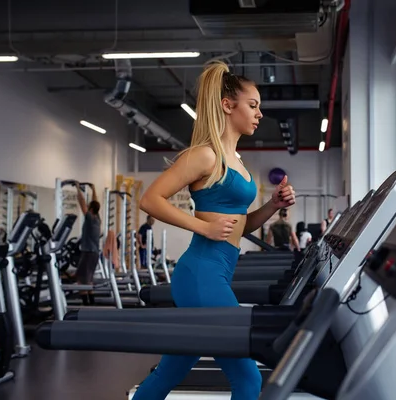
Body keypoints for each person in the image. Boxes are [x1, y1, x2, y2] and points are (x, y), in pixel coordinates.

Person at [136, 60, 296, 400]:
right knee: (248, 379)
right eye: (253, 106)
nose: (259, 114)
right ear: (227, 105)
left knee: (171, 371)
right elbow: (150, 199)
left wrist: (272, 207)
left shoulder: (235, 160)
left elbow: (238, 227)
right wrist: (202, 227)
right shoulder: (205, 156)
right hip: (201, 274)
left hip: (216, 272)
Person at [73, 181, 101, 306]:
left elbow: (82, 203)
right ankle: (92, 303)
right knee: (88, 279)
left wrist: (78, 188)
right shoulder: (97, 218)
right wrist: (93, 188)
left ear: (91, 209)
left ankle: (86, 305)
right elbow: (95, 203)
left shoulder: (90, 218)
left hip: (88, 253)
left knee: (81, 279)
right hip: (94, 253)